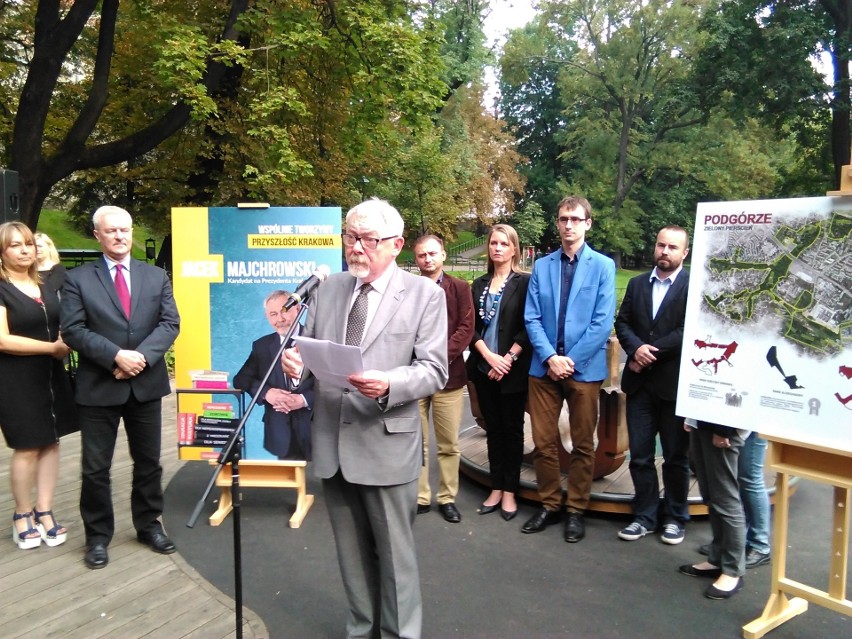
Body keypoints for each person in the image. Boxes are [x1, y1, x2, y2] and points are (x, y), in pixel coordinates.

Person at [282, 198, 448, 639]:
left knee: (395, 555)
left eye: (367, 240)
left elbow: (435, 370)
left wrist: (391, 383)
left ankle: (398, 634)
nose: (356, 247)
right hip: (331, 441)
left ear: (395, 245)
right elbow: (307, 352)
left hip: (385, 440)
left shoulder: (425, 295)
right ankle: (361, 629)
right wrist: (296, 367)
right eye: (349, 236)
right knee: (351, 555)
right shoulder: (329, 288)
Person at [61, 205, 180, 570]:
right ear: (97, 234)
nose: (120, 236)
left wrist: (139, 358)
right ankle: (97, 536)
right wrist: (116, 356)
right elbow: (74, 329)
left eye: (125, 229)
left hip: (145, 385)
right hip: (99, 387)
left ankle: (148, 525)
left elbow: (170, 322)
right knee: (95, 468)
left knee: (148, 463)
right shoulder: (78, 278)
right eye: (111, 230)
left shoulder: (155, 276)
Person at [523, 195, 615, 543]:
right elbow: (531, 317)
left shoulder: (603, 266)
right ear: (557, 223)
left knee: (582, 444)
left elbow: (602, 322)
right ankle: (549, 504)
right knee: (544, 443)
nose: (569, 225)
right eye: (563, 219)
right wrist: (549, 357)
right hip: (543, 369)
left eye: (576, 219)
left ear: (588, 223)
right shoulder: (543, 266)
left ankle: (576, 509)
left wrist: (569, 361)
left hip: (583, 370)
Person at [0, 221, 77, 549]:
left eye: (28, 244)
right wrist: (53, 348)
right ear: (2, 252)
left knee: (51, 442)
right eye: (15, 245)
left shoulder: (44, 285)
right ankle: (22, 515)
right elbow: (2, 340)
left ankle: (44, 510)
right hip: (16, 378)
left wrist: (70, 339)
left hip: (51, 375)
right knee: (28, 446)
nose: (24, 250)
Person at [614, 225, 691, 545]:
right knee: (641, 456)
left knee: (675, 458)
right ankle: (644, 516)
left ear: (684, 253)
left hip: (673, 387)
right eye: (661, 245)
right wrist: (635, 348)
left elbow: (690, 330)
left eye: (673, 247)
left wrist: (651, 352)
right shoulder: (636, 285)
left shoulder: (693, 286)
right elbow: (623, 322)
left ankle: (675, 517)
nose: (665, 252)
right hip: (640, 387)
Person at [467, 224, 530, 521]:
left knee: (512, 431)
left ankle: (510, 491)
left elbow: (530, 325)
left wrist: (507, 358)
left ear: (514, 249)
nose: (497, 248)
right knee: (493, 430)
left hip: (512, 370)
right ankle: (495, 486)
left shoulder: (525, 283)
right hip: (484, 367)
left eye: (504, 243)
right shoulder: (478, 285)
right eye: (493, 243)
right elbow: (471, 329)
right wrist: (490, 357)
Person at [413, 235, 474, 523]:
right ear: (416, 259)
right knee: (418, 442)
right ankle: (421, 496)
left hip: (449, 376)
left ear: (443, 255)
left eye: (432, 253)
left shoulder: (460, 288)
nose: (428, 259)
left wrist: (436, 357)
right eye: (422, 255)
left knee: (448, 443)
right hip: (413, 377)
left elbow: (466, 327)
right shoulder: (407, 289)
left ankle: (447, 497)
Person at [234, 290, 313, 460]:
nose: (280, 319)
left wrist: (304, 400)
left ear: (298, 309)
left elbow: (334, 384)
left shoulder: (318, 340)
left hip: (316, 431)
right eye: (273, 314)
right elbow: (241, 379)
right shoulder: (261, 346)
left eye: (285, 311)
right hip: (281, 434)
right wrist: (267, 393)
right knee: (289, 485)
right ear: (267, 316)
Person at [679, 419, 747, 599]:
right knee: (711, 495)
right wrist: (690, 418)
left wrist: (724, 429)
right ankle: (717, 559)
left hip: (722, 424)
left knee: (726, 499)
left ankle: (733, 571)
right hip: (701, 421)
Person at [699, 431, 772, 568]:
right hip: (737, 424)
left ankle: (760, 545)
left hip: (751, 424)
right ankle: (733, 544)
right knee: (737, 478)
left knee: (750, 479)